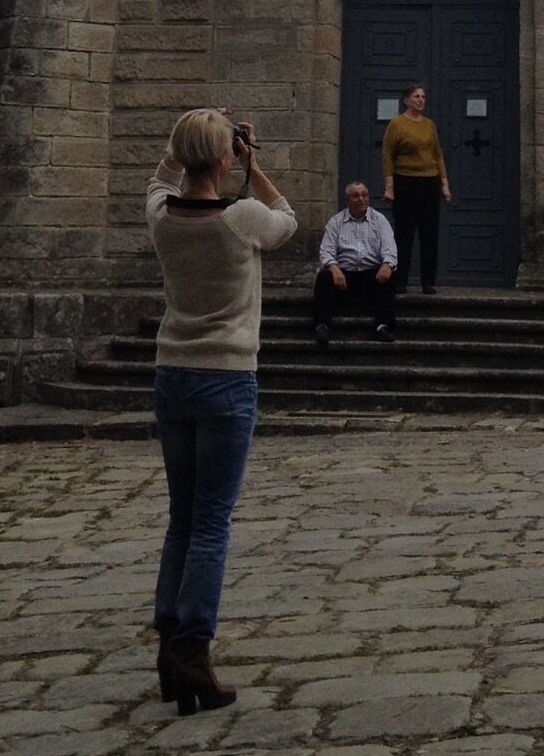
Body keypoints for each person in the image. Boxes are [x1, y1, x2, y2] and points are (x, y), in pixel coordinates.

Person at [146, 108, 295, 715]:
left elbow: (159, 181)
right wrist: (254, 166)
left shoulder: (162, 217)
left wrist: (186, 143)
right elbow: (287, 219)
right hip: (227, 378)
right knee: (212, 522)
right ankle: (193, 647)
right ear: (226, 157)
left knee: (182, 518)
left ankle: (168, 646)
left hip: (172, 375)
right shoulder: (241, 219)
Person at [381, 82, 450, 295]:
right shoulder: (397, 123)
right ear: (406, 100)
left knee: (429, 234)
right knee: (404, 233)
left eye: (423, 97)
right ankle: (400, 280)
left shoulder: (429, 125)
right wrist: (389, 187)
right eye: (416, 96)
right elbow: (387, 154)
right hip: (406, 182)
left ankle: (428, 281)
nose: (421, 100)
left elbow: (437, 154)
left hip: (429, 183)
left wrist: (444, 184)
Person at [313, 180, 398, 343]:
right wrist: (334, 268)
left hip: (371, 274)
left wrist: (387, 264)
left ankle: (383, 326)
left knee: (390, 276)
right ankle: (322, 326)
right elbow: (326, 251)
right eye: (356, 196)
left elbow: (390, 247)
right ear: (347, 200)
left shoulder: (380, 220)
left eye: (364, 195)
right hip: (344, 275)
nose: (361, 199)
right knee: (324, 277)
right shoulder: (336, 222)